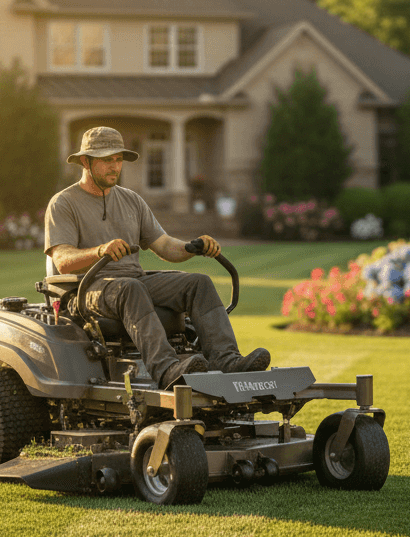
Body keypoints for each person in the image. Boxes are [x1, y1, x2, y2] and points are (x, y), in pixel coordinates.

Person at [44, 126, 270, 389]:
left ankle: (227, 360)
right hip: (88, 289)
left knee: (198, 283)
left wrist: (193, 247)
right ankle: (166, 369)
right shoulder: (64, 203)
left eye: (118, 159)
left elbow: (164, 245)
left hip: (133, 282)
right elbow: (62, 259)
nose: (115, 166)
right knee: (131, 288)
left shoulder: (132, 200)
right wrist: (99, 250)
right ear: (85, 161)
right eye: (107, 160)